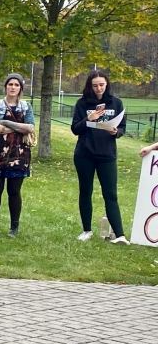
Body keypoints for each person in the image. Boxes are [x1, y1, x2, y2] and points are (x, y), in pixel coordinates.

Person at [72, 69, 127, 244]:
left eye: (102, 85)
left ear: (107, 84)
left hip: (107, 155)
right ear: (90, 86)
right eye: (95, 85)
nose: (99, 88)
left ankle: (119, 235)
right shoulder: (82, 103)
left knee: (110, 194)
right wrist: (89, 119)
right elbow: (75, 129)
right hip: (85, 154)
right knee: (85, 191)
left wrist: (116, 132)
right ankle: (86, 230)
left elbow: (122, 128)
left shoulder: (116, 103)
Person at [0, 73, 35, 237]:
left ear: (20, 88)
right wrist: (19, 127)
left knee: (14, 191)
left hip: (19, 153)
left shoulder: (26, 107)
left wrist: (5, 122)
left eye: (16, 85)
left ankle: (14, 227)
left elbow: (31, 127)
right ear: (6, 86)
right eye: (10, 84)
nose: (13, 87)